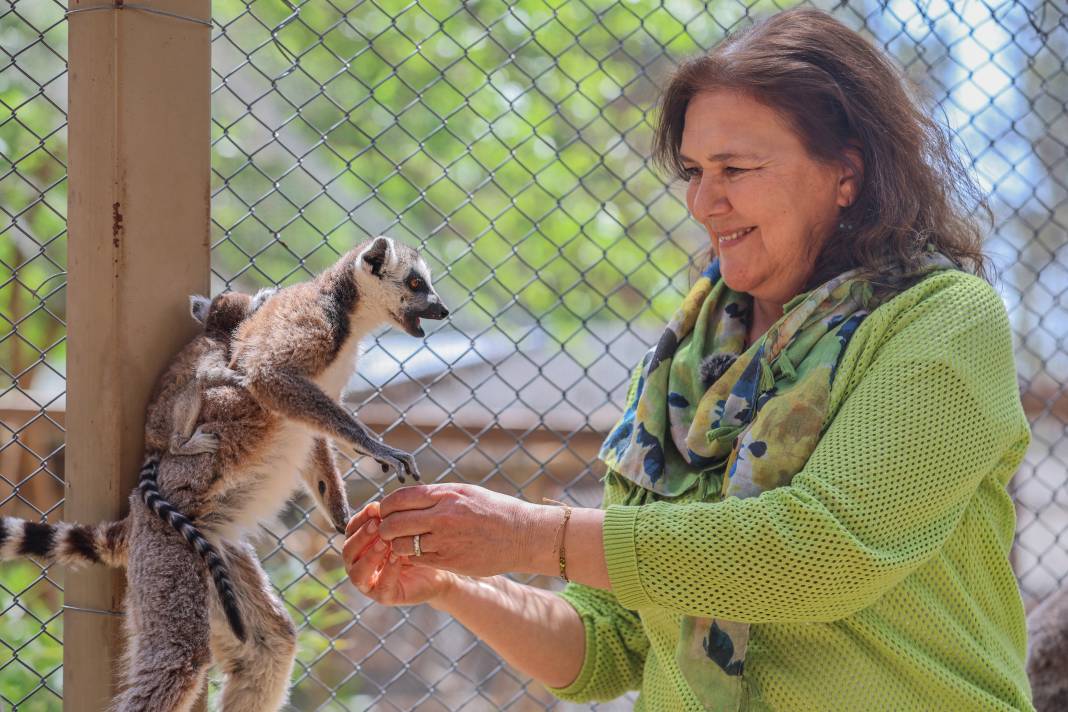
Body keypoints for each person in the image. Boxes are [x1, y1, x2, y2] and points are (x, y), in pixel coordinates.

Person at [343, 8, 1035, 711]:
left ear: (845, 173)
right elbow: (608, 647)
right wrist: (460, 583)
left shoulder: (943, 320)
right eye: (695, 170)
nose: (705, 202)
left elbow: (820, 553)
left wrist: (528, 535)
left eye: (736, 168)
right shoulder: (689, 358)